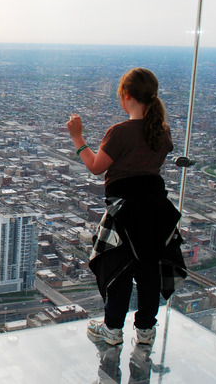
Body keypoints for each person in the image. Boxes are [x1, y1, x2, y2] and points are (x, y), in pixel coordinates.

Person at [66, 67, 187, 347]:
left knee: (118, 269)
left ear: (126, 96)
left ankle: (112, 331)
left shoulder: (119, 132)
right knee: (148, 272)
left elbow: (96, 167)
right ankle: (146, 330)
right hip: (157, 211)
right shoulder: (162, 130)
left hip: (125, 212)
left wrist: (77, 137)